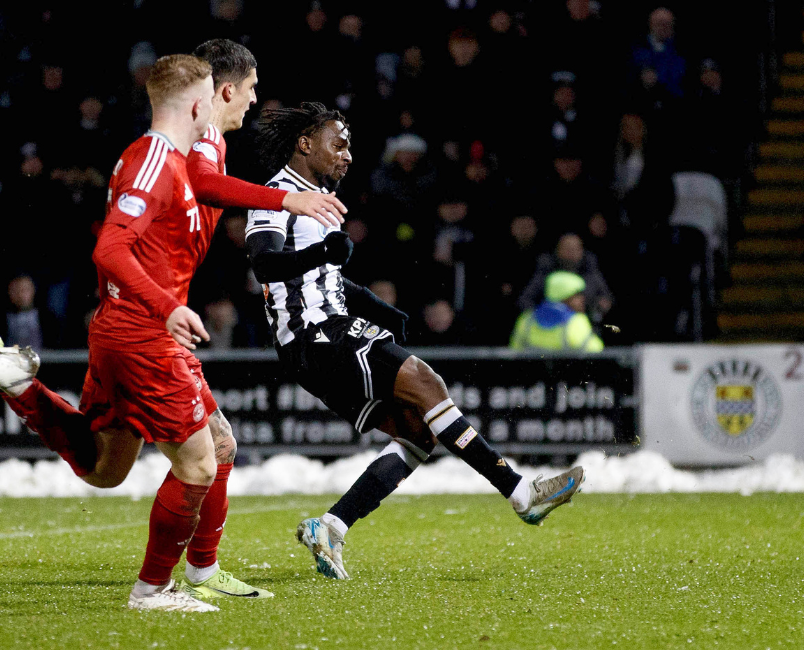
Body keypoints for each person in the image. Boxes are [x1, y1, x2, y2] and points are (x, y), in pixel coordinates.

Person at [0, 54, 293, 613]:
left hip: (127, 329)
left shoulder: (175, 155)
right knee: (204, 462)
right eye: (223, 92)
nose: (236, 101)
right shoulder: (158, 159)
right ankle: (155, 588)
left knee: (106, 467)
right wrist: (167, 307)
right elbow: (110, 247)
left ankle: (18, 383)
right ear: (200, 101)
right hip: (144, 334)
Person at [243, 102, 584, 581]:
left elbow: (328, 280)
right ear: (304, 144)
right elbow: (265, 264)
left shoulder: (319, 202)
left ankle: (332, 526)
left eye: (350, 147)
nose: (347, 155)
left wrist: (377, 308)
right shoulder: (277, 194)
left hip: (325, 334)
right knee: (427, 382)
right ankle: (520, 493)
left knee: (418, 434)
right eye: (337, 144)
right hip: (314, 336)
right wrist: (323, 251)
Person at [510, 271, 604, 352]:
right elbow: (597, 351)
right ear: (564, 296)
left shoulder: (526, 319)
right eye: (577, 295)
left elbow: (515, 349)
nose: (582, 299)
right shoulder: (577, 321)